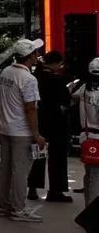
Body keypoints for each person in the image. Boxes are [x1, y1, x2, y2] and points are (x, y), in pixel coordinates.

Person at [0, 38, 48, 224]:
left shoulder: (5, 72)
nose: (38, 55)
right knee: (20, 171)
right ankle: (18, 209)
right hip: (21, 132)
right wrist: (36, 134)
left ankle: (4, 206)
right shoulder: (29, 79)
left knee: (5, 168)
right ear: (30, 56)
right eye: (36, 52)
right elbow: (30, 108)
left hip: (4, 128)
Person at [28, 51, 74, 202]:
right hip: (57, 124)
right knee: (57, 158)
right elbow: (66, 100)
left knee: (38, 155)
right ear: (55, 63)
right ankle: (55, 190)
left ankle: (32, 188)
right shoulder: (56, 80)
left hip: (40, 122)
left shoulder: (35, 77)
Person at [74, 58, 99, 206]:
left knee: (89, 174)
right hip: (97, 137)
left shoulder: (84, 88)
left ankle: (88, 206)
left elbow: (73, 96)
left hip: (86, 136)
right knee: (96, 177)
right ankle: (92, 211)